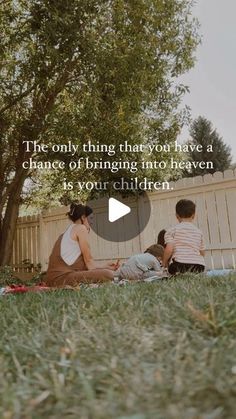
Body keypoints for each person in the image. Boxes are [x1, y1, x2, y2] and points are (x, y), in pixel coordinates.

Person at [45, 203, 116, 287]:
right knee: (109, 274)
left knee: (106, 272)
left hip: (52, 279)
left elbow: (86, 265)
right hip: (62, 279)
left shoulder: (66, 233)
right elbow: (89, 264)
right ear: (83, 217)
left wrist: (104, 266)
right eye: (91, 218)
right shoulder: (81, 228)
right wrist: (105, 270)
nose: (92, 222)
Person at [163, 199, 205, 275]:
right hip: (199, 266)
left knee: (172, 270)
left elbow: (169, 249)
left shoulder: (172, 231)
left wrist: (164, 262)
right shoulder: (199, 232)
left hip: (180, 265)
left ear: (177, 215)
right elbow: (202, 252)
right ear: (193, 215)